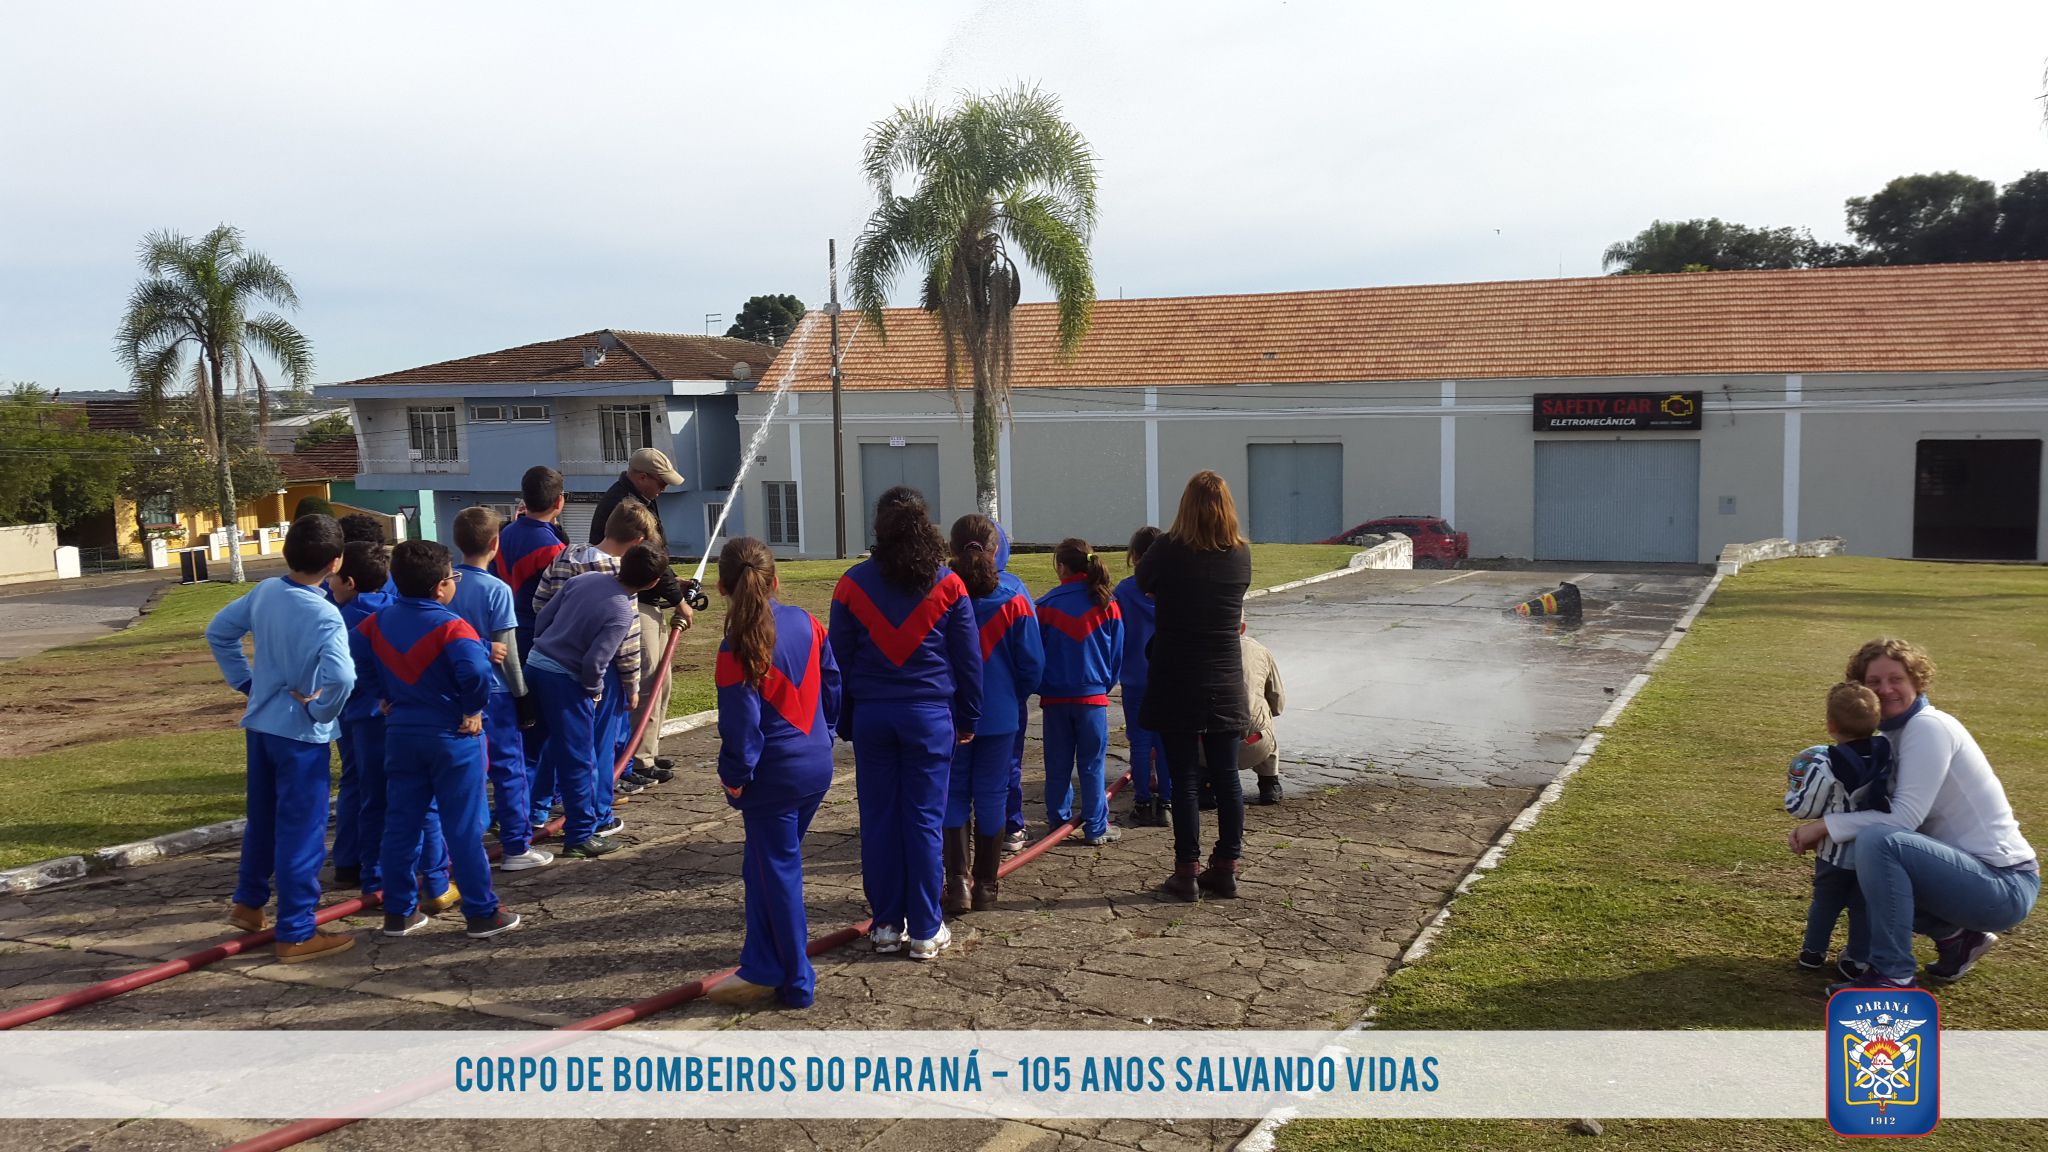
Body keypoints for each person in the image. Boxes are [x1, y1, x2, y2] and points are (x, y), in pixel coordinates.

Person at [1791, 638, 2039, 991]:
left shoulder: (1927, 727)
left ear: (1916, 682)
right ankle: (1957, 939)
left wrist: (1824, 826)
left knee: (1879, 842)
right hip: (1972, 876)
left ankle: (1891, 973)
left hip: (2003, 884)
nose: (1886, 689)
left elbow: (1902, 819)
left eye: (1897, 679)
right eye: (1874, 682)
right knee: (1870, 859)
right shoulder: (1891, 736)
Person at [829, 486, 982, 961]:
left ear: (879, 526)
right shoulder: (949, 585)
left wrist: (846, 720)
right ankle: (926, 928)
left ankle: (885, 924)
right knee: (924, 822)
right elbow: (968, 660)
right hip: (930, 717)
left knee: (878, 822)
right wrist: (968, 716)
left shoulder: (851, 585)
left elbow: (839, 663)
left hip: (874, 716)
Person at [204, 514, 359, 962]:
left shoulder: (266, 590)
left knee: (264, 818)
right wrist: (321, 710)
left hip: (262, 727)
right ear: (336, 562)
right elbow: (343, 678)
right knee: (302, 831)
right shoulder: (325, 613)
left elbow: (219, 632)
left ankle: (249, 903)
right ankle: (296, 931)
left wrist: (247, 683)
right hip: (301, 736)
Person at [708, 537, 841, 1008]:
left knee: (777, 871)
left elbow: (740, 728)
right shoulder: (808, 622)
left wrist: (735, 776)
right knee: (762, 866)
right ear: (776, 581)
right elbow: (832, 685)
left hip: (772, 777)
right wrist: (825, 735)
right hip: (816, 765)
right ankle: (762, 961)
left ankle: (797, 980)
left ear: (722, 587)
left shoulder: (735, 646)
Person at [366, 541, 520, 940]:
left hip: (402, 732)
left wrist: (381, 692)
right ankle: (481, 911)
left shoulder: (377, 622)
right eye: (453, 577)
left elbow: (356, 656)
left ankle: (399, 912)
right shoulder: (453, 626)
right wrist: (473, 708)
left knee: (401, 824)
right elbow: (475, 671)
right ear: (440, 586)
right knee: (464, 827)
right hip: (453, 735)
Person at [1137, 470, 1253, 902]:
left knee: (1184, 777)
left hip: (1177, 675)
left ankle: (1185, 871)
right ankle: (1226, 867)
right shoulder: (1240, 554)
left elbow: (1143, 582)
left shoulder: (1168, 549)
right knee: (1226, 777)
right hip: (1225, 677)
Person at [530, 544, 669, 859]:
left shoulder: (583, 580)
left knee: (548, 746)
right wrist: (593, 691)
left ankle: (531, 813)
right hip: (566, 680)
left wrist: (545, 646)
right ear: (652, 583)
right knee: (580, 759)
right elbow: (595, 662)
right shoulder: (622, 611)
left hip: (536, 665)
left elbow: (545, 616)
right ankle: (581, 834)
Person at [334, 541, 453, 905]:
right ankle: (435, 879)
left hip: (361, 717)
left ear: (350, 582)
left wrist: (376, 693)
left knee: (369, 796)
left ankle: (372, 877)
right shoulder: (395, 612)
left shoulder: (343, 617)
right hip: (401, 716)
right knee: (421, 801)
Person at [945, 514, 1043, 913]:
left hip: (950, 715)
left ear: (952, 549)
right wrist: (1012, 695)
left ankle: (957, 882)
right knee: (992, 794)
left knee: (952, 793)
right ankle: (986, 886)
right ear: (996, 549)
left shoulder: (940, 596)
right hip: (1001, 713)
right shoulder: (1015, 598)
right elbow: (1033, 663)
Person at [450, 507, 550, 872]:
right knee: (509, 770)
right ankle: (515, 846)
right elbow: (507, 652)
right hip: (496, 692)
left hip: (453, 691)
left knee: (466, 774)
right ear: (495, 544)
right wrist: (522, 695)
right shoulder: (497, 590)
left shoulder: (446, 584)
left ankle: (458, 852)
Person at [587, 446, 690, 786]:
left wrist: (673, 582)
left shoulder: (643, 498)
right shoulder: (623, 505)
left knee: (662, 680)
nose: (664, 488)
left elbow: (657, 555)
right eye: (660, 482)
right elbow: (647, 555)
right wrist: (679, 600)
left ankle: (648, 749)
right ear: (641, 477)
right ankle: (637, 760)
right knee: (646, 682)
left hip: (650, 597)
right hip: (635, 602)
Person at [1783, 681, 1894, 982]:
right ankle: (1857, 959)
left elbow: (1804, 808)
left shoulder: (1825, 763)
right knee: (1863, 905)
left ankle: (1813, 951)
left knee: (1826, 901)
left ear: (1831, 725)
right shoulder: (1889, 758)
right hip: (1873, 852)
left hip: (1833, 852)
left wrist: (1793, 790)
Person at [1037, 537, 1124, 847]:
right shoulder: (1108, 605)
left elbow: (1034, 654)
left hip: (1055, 698)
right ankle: (1096, 826)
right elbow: (1117, 655)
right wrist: (1103, 685)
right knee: (1092, 765)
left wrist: (1041, 685)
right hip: (1093, 699)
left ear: (1061, 567)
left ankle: (1058, 822)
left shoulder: (1044, 606)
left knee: (1057, 764)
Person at [324, 512, 391, 886]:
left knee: (355, 782)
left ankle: (349, 860)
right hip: (377, 710)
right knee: (381, 790)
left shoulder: (334, 608)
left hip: (347, 709)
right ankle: (375, 865)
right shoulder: (387, 607)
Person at [495, 466, 570, 793]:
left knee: (519, 716)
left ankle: (517, 789)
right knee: (542, 721)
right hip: (537, 636)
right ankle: (541, 792)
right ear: (559, 501)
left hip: (503, 631)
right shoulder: (552, 548)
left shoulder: (504, 534)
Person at [1115, 526, 1167, 827]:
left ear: (1134, 556)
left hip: (1135, 677)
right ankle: (1168, 802)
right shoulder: (1175, 589)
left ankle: (1143, 801)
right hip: (1168, 677)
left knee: (1139, 741)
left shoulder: (1123, 592)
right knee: (1166, 742)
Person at [993, 521, 1033, 854]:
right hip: (1006, 700)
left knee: (956, 773)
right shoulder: (1014, 589)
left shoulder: (948, 586)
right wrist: (1023, 690)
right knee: (1007, 766)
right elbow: (1031, 654)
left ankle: (954, 842)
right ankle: (1011, 826)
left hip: (956, 701)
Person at [1239, 617, 1288, 805]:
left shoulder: (1196, 648)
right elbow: (1277, 701)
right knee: (1263, 718)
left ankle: (1206, 785)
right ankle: (1269, 784)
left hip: (1206, 748)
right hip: (1254, 743)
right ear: (1242, 627)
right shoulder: (1258, 650)